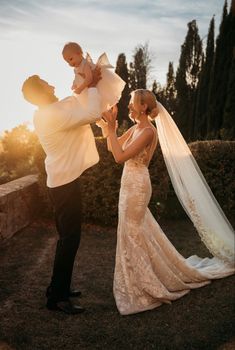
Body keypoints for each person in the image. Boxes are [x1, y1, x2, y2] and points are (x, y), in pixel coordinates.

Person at [99, 89, 235, 315]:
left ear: (143, 107)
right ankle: (137, 280)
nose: (129, 106)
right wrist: (108, 127)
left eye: (132, 103)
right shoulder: (135, 128)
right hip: (129, 184)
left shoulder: (148, 132)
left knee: (132, 233)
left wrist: (112, 129)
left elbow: (119, 157)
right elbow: (112, 147)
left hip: (137, 186)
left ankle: (143, 285)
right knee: (134, 232)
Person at [22, 68, 102, 315]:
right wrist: (92, 85)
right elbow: (92, 112)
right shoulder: (54, 113)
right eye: (47, 85)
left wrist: (86, 83)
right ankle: (57, 298)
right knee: (70, 239)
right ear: (41, 94)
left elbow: (73, 104)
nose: (53, 87)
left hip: (59, 181)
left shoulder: (42, 114)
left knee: (66, 239)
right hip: (64, 184)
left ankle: (59, 289)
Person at [62, 42, 125, 112]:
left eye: (71, 59)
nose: (70, 63)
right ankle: (106, 120)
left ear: (79, 53)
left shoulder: (85, 64)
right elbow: (77, 77)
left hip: (97, 86)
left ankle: (108, 119)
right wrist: (74, 84)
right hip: (87, 88)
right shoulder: (77, 68)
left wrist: (80, 89)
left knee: (101, 103)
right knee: (97, 107)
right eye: (68, 62)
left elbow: (89, 78)